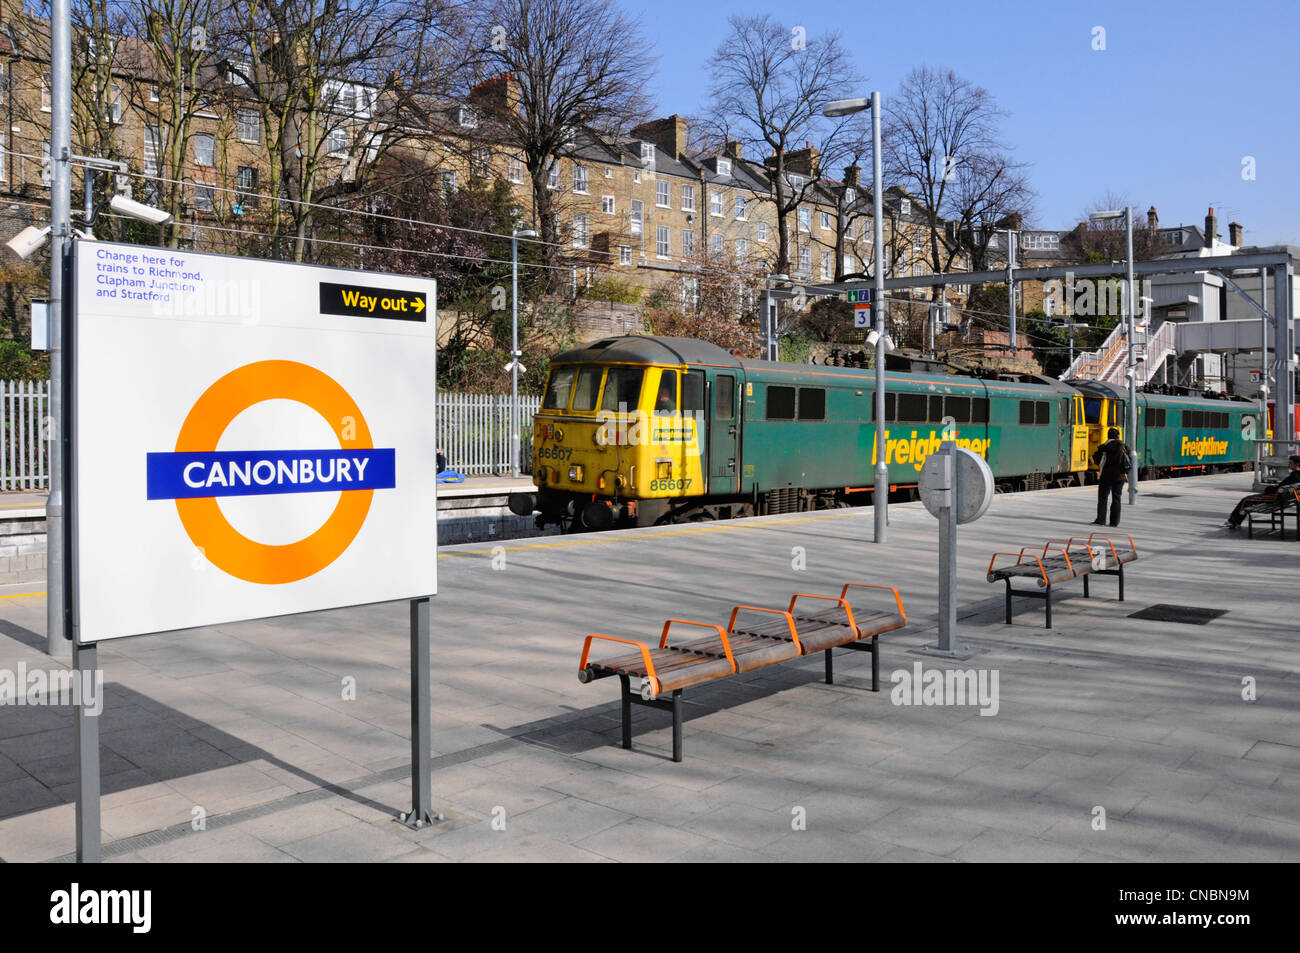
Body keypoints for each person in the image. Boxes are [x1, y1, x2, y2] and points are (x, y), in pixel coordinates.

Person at [1223, 454, 1300, 529]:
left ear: (1297, 464)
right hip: (1284, 498)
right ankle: (1235, 521)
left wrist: (1268, 489)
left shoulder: (1294, 476)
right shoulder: (1296, 475)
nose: (1289, 465)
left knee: (1246, 500)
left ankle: (1233, 522)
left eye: (1291, 463)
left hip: (1276, 498)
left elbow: (1278, 489)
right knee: (1247, 500)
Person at [1092, 427, 1132, 527]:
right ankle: (1114, 522)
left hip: (1106, 476)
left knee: (1103, 498)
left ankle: (1101, 520)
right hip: (1120, 476)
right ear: (1118, 436)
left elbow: (1096, 460)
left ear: (1108, 435)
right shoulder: (1124, 446)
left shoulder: (1104, 446)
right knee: (1117, 498)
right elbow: (1129, 459)